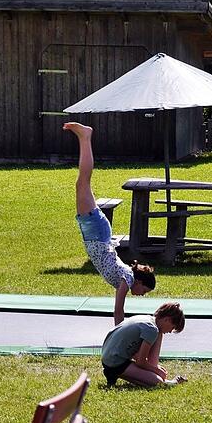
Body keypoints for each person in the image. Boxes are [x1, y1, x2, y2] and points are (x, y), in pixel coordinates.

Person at [63, 122, 156, 325]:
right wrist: (119, 334)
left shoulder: (127, 277)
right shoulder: (127, 280)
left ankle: (84, 138)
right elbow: (118, 310)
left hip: (96, 233)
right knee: (83, 181)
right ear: (139, 282)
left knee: (82, 182)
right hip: (96, 232)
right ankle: (85, 137)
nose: (142, 295)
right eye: (145, 291)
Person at [101, 302, 187, 387]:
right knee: (158, 382)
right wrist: (156, 370)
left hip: (108, 357)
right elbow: (140, 362)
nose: (170, 331)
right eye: (172, 327)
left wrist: (153, 368)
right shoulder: (152, 329)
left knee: (159, 332)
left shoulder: (149, 320)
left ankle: (115, 373)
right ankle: (172, 383)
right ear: (167, 319)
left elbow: (135, 353)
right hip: (115, 362)